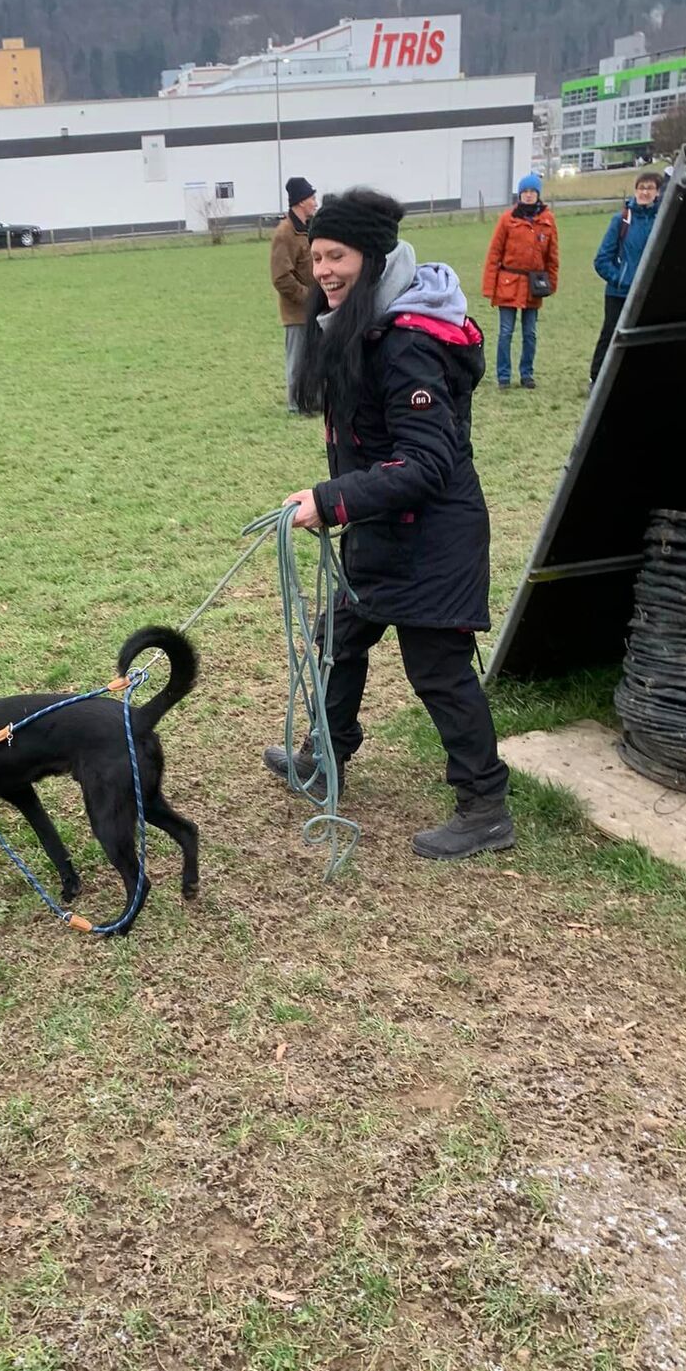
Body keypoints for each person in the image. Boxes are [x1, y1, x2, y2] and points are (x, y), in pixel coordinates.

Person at [263, 186, 514, 861]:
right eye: (317, 257)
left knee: (438, 669)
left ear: (372, 258)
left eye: (337, 257)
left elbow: (427, 463)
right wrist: (338, 499)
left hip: (434, 538)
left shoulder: (406, 344)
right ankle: (326, 757)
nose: (323, 272)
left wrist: (331, 500)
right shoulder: (366, 324)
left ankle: (485, 807)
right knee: (339, 639)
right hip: (382, 528)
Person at [480, 173, 558, 390]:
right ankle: (503, 376)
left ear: (538, 194)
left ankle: (527, 374)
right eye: (525, 192)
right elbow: (494, 253)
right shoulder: (507, 219)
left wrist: (551, 283)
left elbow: (553, 256)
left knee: (530, 333)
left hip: (534, 285)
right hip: (508, 283)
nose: (529, 195)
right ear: (519, 194)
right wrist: (489, 287)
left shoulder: (548, 221)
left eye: (532, 192)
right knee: (506, 332)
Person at [589, 171, 661, 385]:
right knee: (611, 334)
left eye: (650, 188)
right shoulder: (621, 220)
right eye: (641, 188)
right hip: (619, 293)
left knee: (646, 336)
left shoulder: (661, 220)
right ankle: (597, 378)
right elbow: (602, 259)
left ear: (658, 192)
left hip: (649, 293)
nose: (645, 192)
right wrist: (621, 280)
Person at [270, 176, 317, 412]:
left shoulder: (310, 229)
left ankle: (314, 400)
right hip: (297, 312)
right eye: (312, 198)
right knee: (297, 361)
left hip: (316, 309)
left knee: (315, 358)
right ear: (300, 201)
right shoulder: (284, 233)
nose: (315, 202)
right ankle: (296, 404)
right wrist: (308, 297)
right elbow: (281, 277)